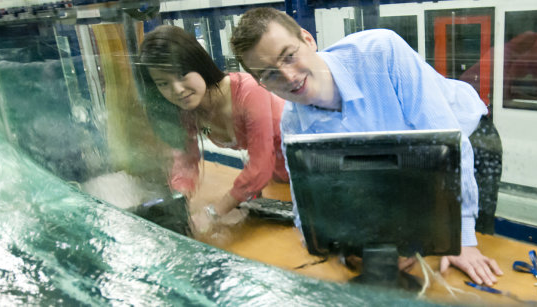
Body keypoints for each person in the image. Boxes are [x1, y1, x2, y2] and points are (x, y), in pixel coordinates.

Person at [230, 8, 504, 286]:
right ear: (260, 83)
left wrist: (464, 240)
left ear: (308, 39)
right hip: (406, 156)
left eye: (289, 56)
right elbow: (309, 199)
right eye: (270, 74)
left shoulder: (381, 52)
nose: (288, 76)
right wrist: (340, 244)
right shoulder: (294, 123)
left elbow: (447, 145)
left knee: (459, 257)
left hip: (465, 139)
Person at [136, 25, 288, 232]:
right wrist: (179, 201)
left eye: (181, 74)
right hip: (277, 180)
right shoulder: (191, 114)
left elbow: (260, 165)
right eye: (163, 83)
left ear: (198, 64)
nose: (177, 90)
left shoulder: (248, 93)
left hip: (308, 168)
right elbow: (186, 159)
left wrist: (215, 211)